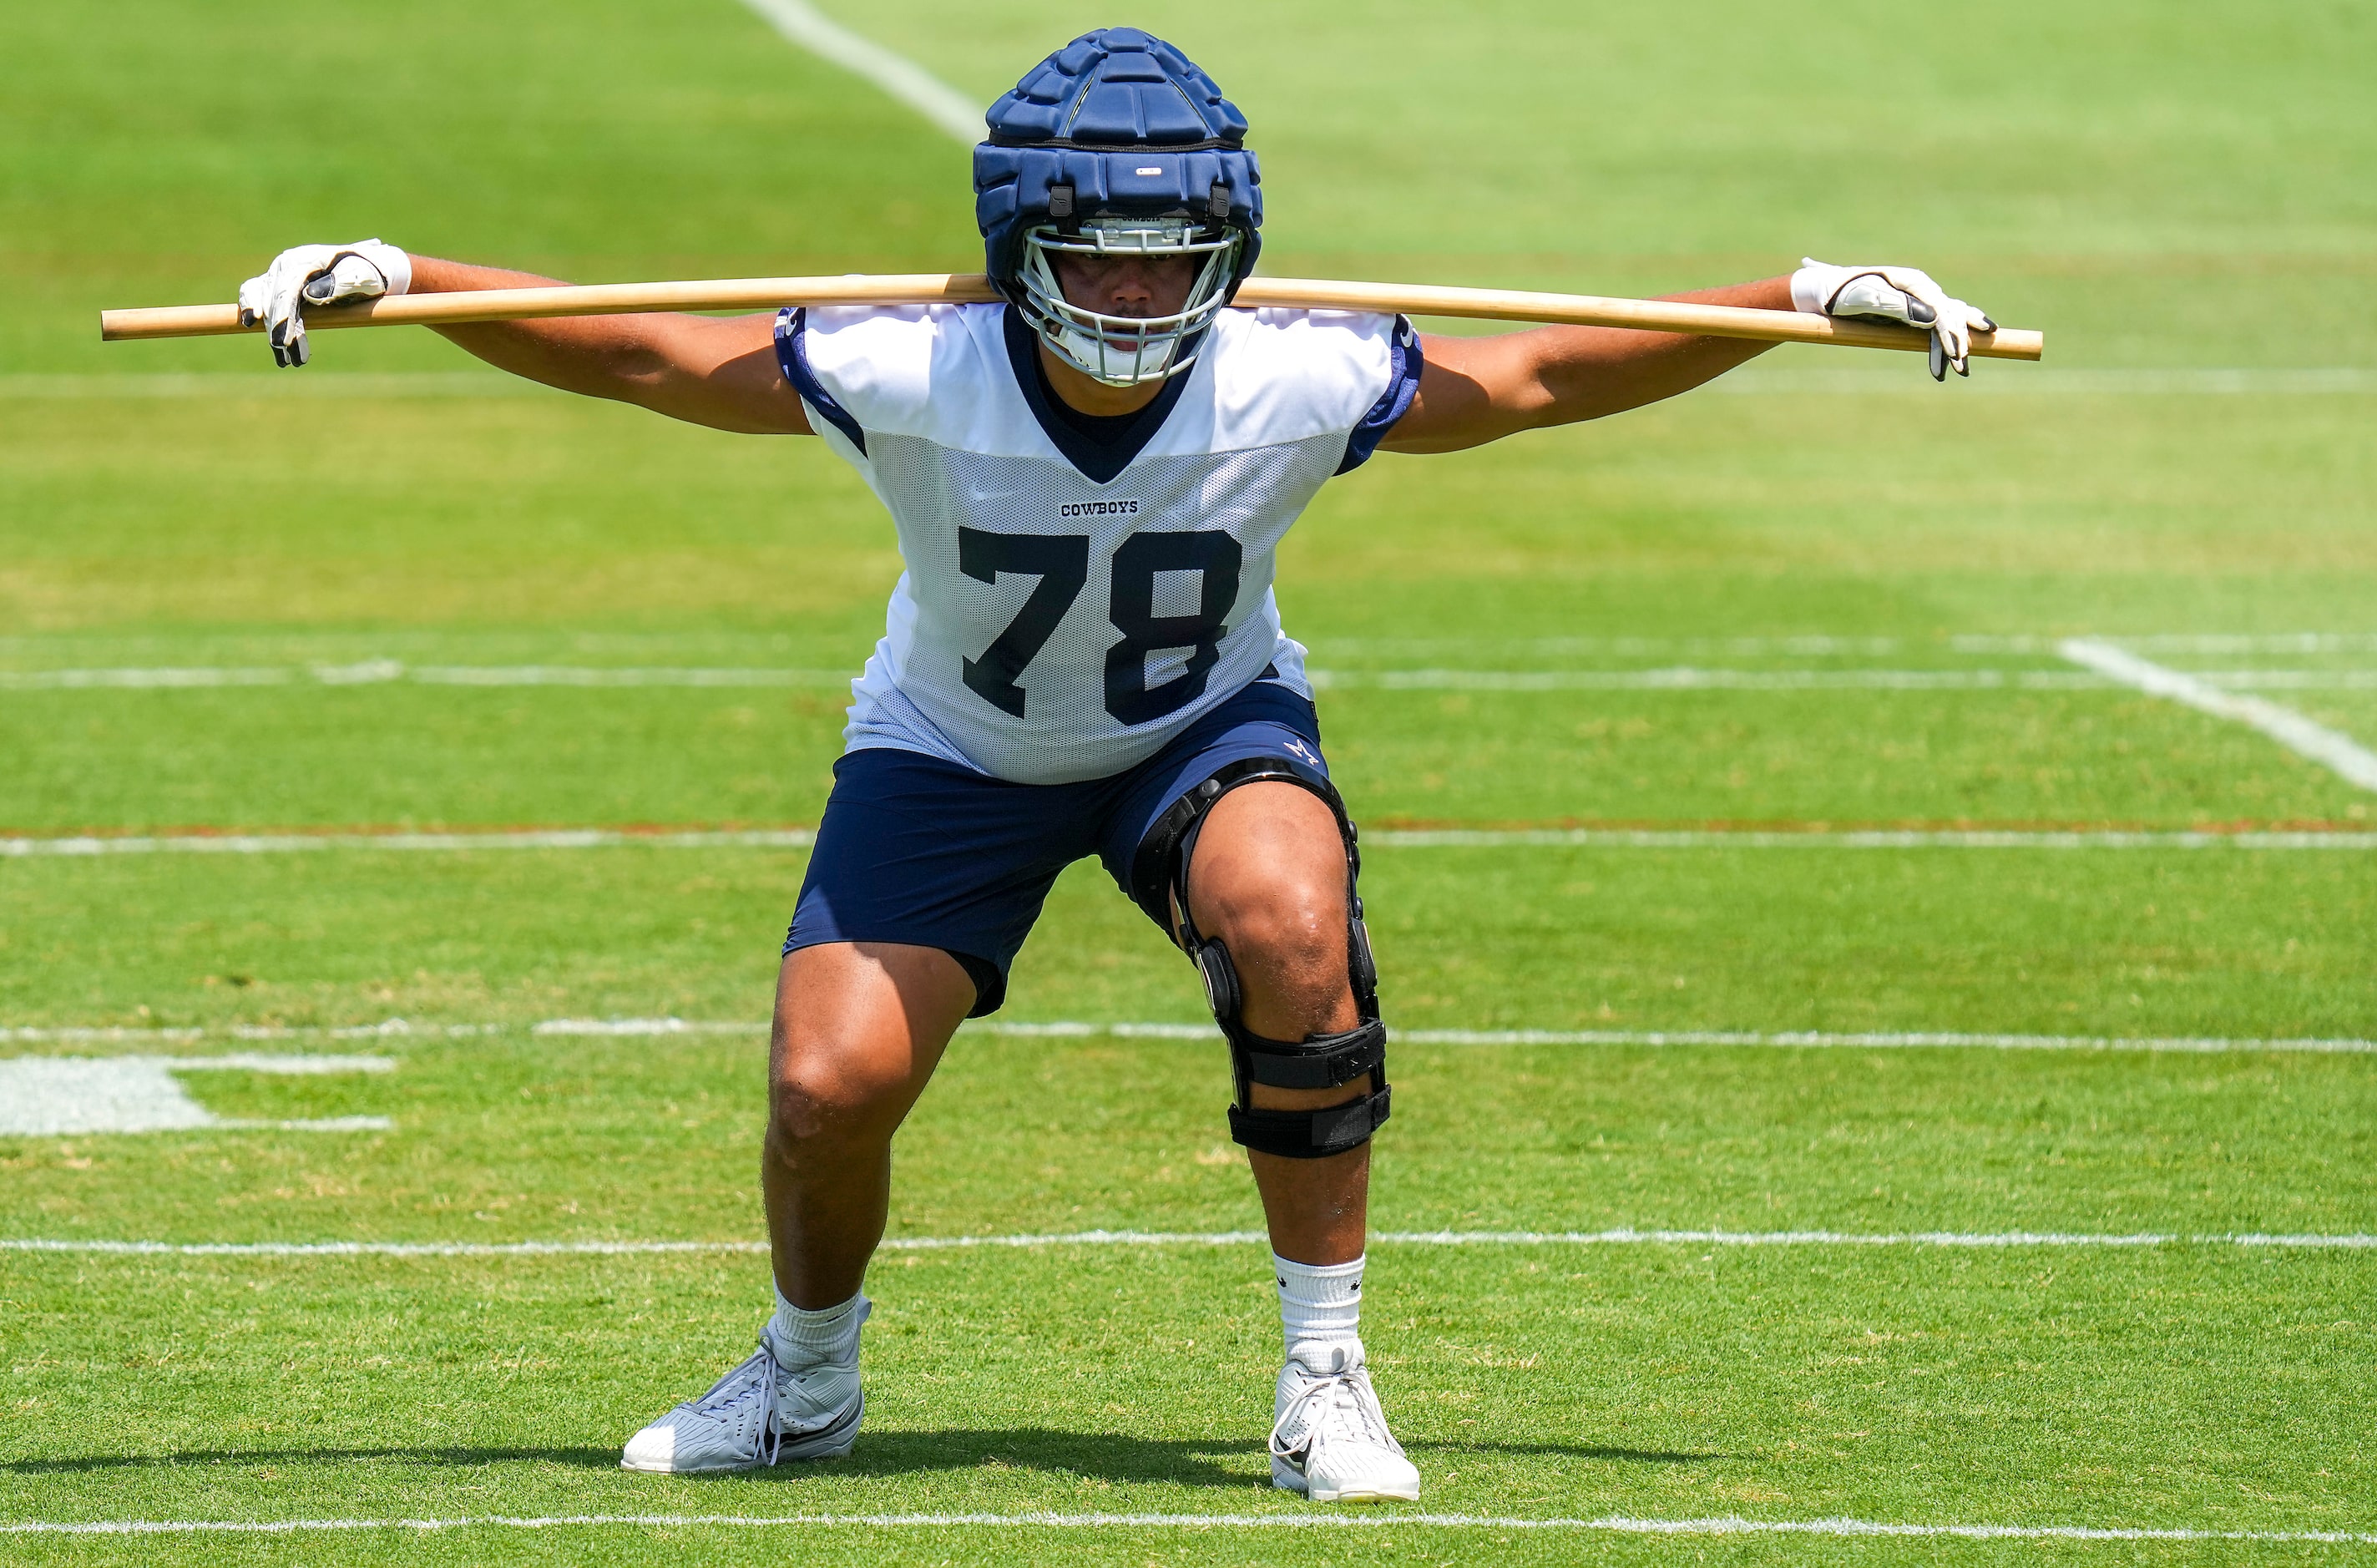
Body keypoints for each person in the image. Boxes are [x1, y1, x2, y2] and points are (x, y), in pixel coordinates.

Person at [236, 26, 1993, 1503]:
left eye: (1172, 256)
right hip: (952, 747)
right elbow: (635, 349)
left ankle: (1324, 1381)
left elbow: (1534, 370)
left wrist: (1784, 298)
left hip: (1196, 731)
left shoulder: (1292, 376)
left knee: (1291, 927)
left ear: (1227, 246)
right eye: (1101, 258)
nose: (1141, 291)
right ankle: (803, 1378)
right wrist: (406, 276)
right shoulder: (906, 365)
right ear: (1022, 248)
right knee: (826, 1088)